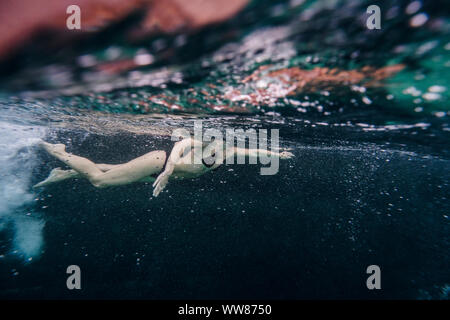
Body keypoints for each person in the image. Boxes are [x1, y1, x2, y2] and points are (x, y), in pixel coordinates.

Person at [34, 138, 294, 197]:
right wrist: (169, 171)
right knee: (99, 180)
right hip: (159, 164)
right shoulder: (205, 141)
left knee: (108, 169)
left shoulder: (229, 151)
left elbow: (253, 151)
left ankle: (64, 173)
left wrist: (277, 155)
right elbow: (181, 144)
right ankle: (60, 152)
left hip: (154, 175)